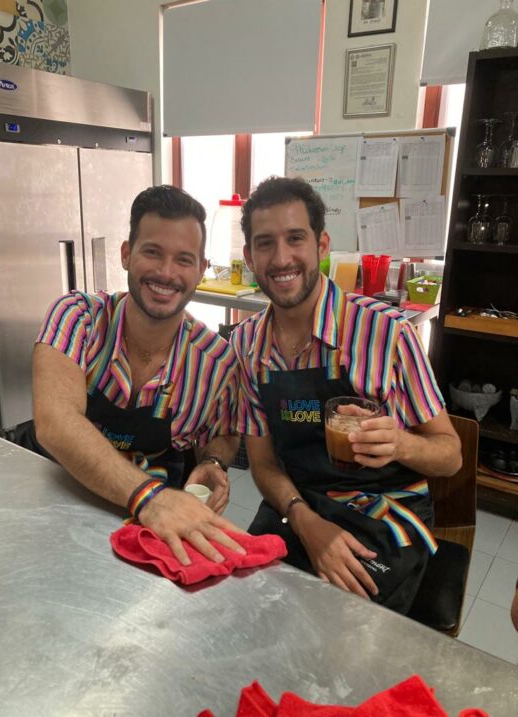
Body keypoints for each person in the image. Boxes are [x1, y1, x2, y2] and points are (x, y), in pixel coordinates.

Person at [231, 176, 462, 614]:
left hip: (383, 512)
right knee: (247, 610)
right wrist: (305, 520)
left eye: (295, 238)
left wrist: (401, 443)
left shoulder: (386, 333)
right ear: (249, 256)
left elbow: (449, 455)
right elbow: (261, 463)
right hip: (297, 503)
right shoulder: (246, 346)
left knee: (337, 631)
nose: (281, 258)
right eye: (265, 244)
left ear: (321, 245)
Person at [30, 185, 245, 565]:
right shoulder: (77, 318)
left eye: (183, 259)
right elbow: (56, 422)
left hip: (158, 537)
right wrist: (151, 497)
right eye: (152, 252)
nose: (166, 273)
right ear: (127, 254)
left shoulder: (217, 362)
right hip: (59, 512)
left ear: (200, 268)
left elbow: (222, 433)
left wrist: (213, 464)